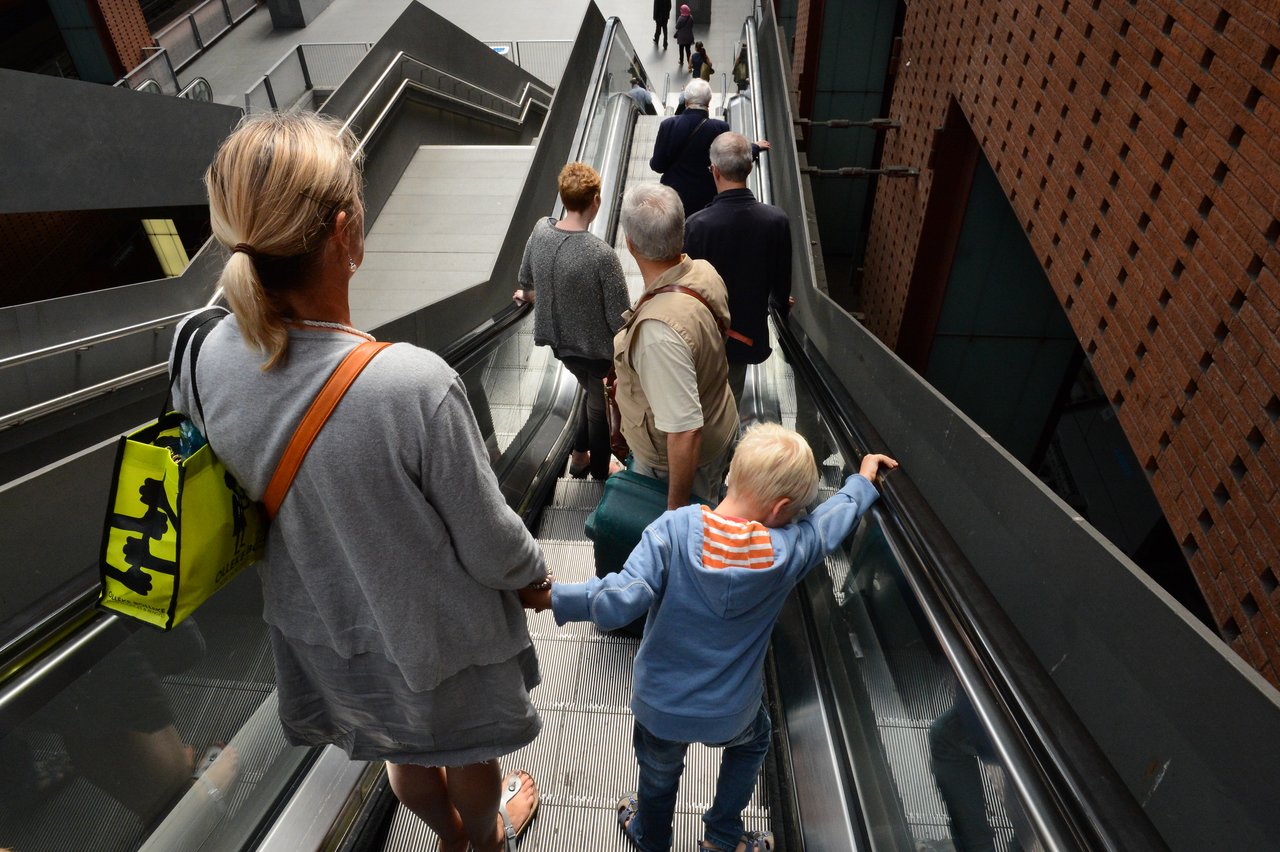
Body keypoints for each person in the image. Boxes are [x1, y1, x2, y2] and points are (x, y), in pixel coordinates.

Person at [178, 112, 547, 852]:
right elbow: (487, 540)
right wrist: (533, 576)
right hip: (435, 638)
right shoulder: (410, 385)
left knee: (403, 755)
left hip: (323, 628)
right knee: (472, 755)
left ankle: (443, 838)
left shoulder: (198, 350)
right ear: (345, 232)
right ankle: (484, 838)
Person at [524, 424, 899, 852]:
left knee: (658, 776)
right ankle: (722, 835)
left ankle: (651, 836)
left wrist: (553, 598)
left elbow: (621, 599)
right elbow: (831, 523)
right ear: (780, 510)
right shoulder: (791, 550)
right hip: (730, 711)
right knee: (755, 741)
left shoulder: (673, 529)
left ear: (728, 476)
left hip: (660, 707)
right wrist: (861, 481)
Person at [614, 183, 738, 508]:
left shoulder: (658, 333)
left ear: (629, 243)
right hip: (720, 420)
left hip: (675, 468)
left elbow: (684, 433)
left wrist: (674, 518)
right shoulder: (703, 272)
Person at [514, 163, 630, 480]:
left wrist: (531, 296)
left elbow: (526, 280)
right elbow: (619, 319)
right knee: (597, 406)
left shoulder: (540, 231)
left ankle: (579, 456)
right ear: (596, 201)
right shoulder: (601, 255)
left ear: (564, 198)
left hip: (558, 343)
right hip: (596, 351)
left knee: (590, 393)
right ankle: (600, 470)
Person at [685, 132, 792, 405]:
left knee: (697, 401)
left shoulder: (697, 225)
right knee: (730, 400)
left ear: (715, 171)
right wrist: (779, 303)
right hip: (744, 334)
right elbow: (781, 281)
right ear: (751, 167)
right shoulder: (776, 221)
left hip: (704, 336)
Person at [650, 79, 772, 218]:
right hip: (706, 200)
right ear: (708, 102)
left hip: (672, 198)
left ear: (686, 102)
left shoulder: (668, 125)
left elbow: (657, 166)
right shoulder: (719, 128)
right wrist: (754, 147)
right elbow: (730, 157)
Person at [674, 4, 694, 71]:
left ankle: (681, 61)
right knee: (688, 51)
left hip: (681, 37)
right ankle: (690, 63)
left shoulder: (680, 18)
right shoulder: (690, 17)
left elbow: (677, 26)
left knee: (681, 50)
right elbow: (692, 25)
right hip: (688, 37)